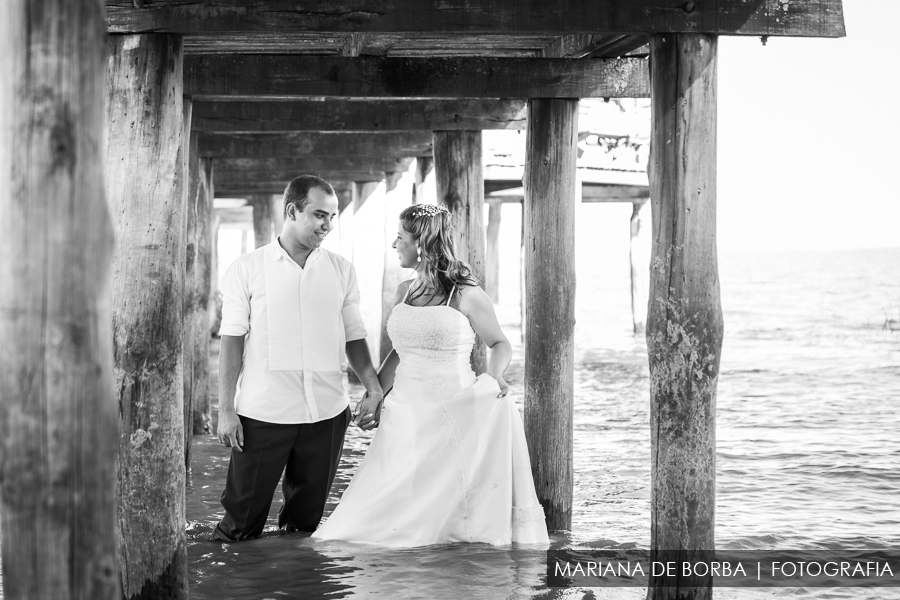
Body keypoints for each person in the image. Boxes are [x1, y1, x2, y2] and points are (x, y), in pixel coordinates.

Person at [312, 203, 550, 547]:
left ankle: (443, 566)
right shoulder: (403, 291)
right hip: (403, 410)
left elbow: (499, 343)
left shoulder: (466, 293)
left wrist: (495, 374)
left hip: (452, 408)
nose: (394, 245)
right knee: (385, 499)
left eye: (400, 238)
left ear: (421, 243)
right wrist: (376, 392)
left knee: (443, 500)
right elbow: (399, 351)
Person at [212, 175, 384, 542]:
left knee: (304, 529)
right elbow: (232, 340)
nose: (328, 225)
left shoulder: (342, 270)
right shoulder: (246, 268)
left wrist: (373, 387)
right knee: (238, 527)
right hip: (263, 415)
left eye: (333, 216)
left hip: (327, 416)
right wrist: (226, 408)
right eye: (320, 215)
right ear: (292, 210)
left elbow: (355, 336)